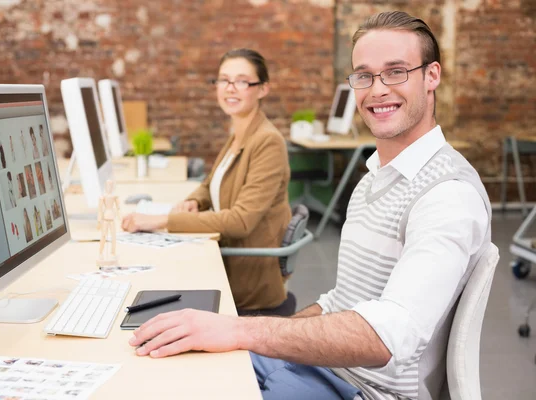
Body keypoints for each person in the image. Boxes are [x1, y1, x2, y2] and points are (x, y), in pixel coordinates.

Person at [126, 11, 492, 400]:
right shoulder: (373, 179)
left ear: (432, 75)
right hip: (323, 371)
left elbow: (387, 337)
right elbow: (341, 302)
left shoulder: (447, 196)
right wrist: (258, 339)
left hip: (366, 392)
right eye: (364, 76)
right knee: (160, 367)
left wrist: (240, 330)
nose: (378, 89)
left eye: (396, 71)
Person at [121, 48, 292, 312]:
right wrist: (194, 201)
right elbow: (211, 182)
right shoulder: (239, 132)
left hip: (247, 281)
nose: (230, 88)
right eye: (224, 80)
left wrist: (163, 220)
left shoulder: (267, 141)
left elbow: (241, 220)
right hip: (227, 260)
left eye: (242, 81)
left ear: (262, 89)